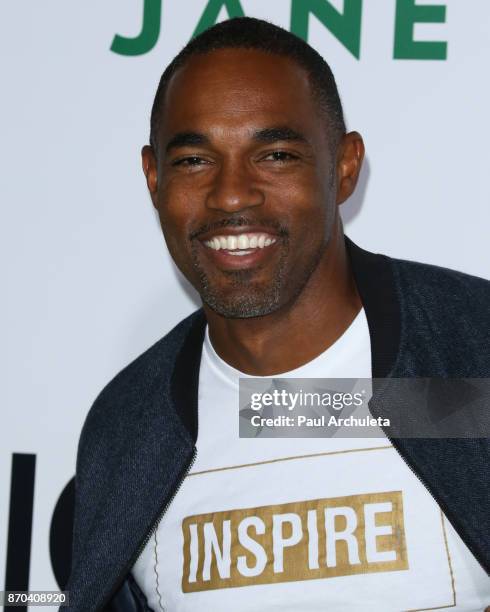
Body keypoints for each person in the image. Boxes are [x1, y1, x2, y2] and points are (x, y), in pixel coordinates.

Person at [65, 17, 490, 612]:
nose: (232, 195)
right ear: (153, 178)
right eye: (193, 160)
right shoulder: (130, 428)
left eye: (276, 154)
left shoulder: (470, 356)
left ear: (344, 166)